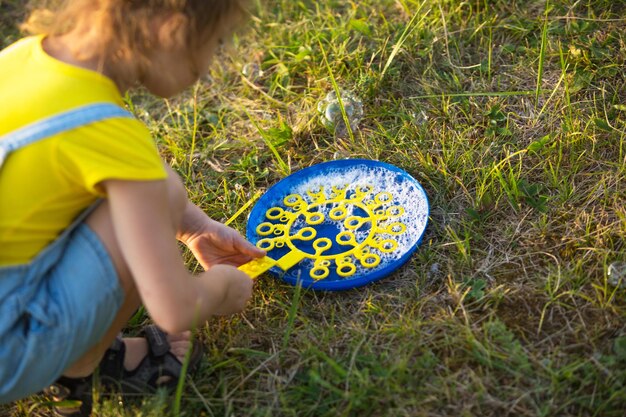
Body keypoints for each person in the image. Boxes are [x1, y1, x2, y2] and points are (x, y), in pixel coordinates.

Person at [0, 0, 265, 415]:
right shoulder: (110, 132)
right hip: (9, 350)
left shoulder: (22, 59)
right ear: (173, 29)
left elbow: (102, 157)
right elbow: (174, 308)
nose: (209, 65)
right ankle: (75, 372)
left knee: (158, 191)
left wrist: (194, 227)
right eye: (215, 43)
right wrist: (222, 290)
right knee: (162, 192)